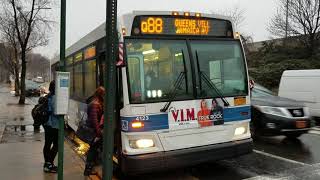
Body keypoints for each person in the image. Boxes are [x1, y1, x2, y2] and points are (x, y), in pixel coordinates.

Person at [84, 86, 105, 176]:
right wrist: (98, 133)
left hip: (94, 130)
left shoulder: (97, 102)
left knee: (94, 148)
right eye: (104, 94)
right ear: (100, 95)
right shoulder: (95, 104)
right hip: (93, 131)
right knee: (93, 149)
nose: (105, 96)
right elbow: (95, 121)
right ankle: (88, 169)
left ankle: (91, 166)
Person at [43, 80, 59, 173]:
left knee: (48, 144)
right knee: (57, 145)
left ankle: (47, 164)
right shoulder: (55, 98)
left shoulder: (49, 96)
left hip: (47, 124)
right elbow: (56, 112)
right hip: (54, 125)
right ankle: (49, 163)